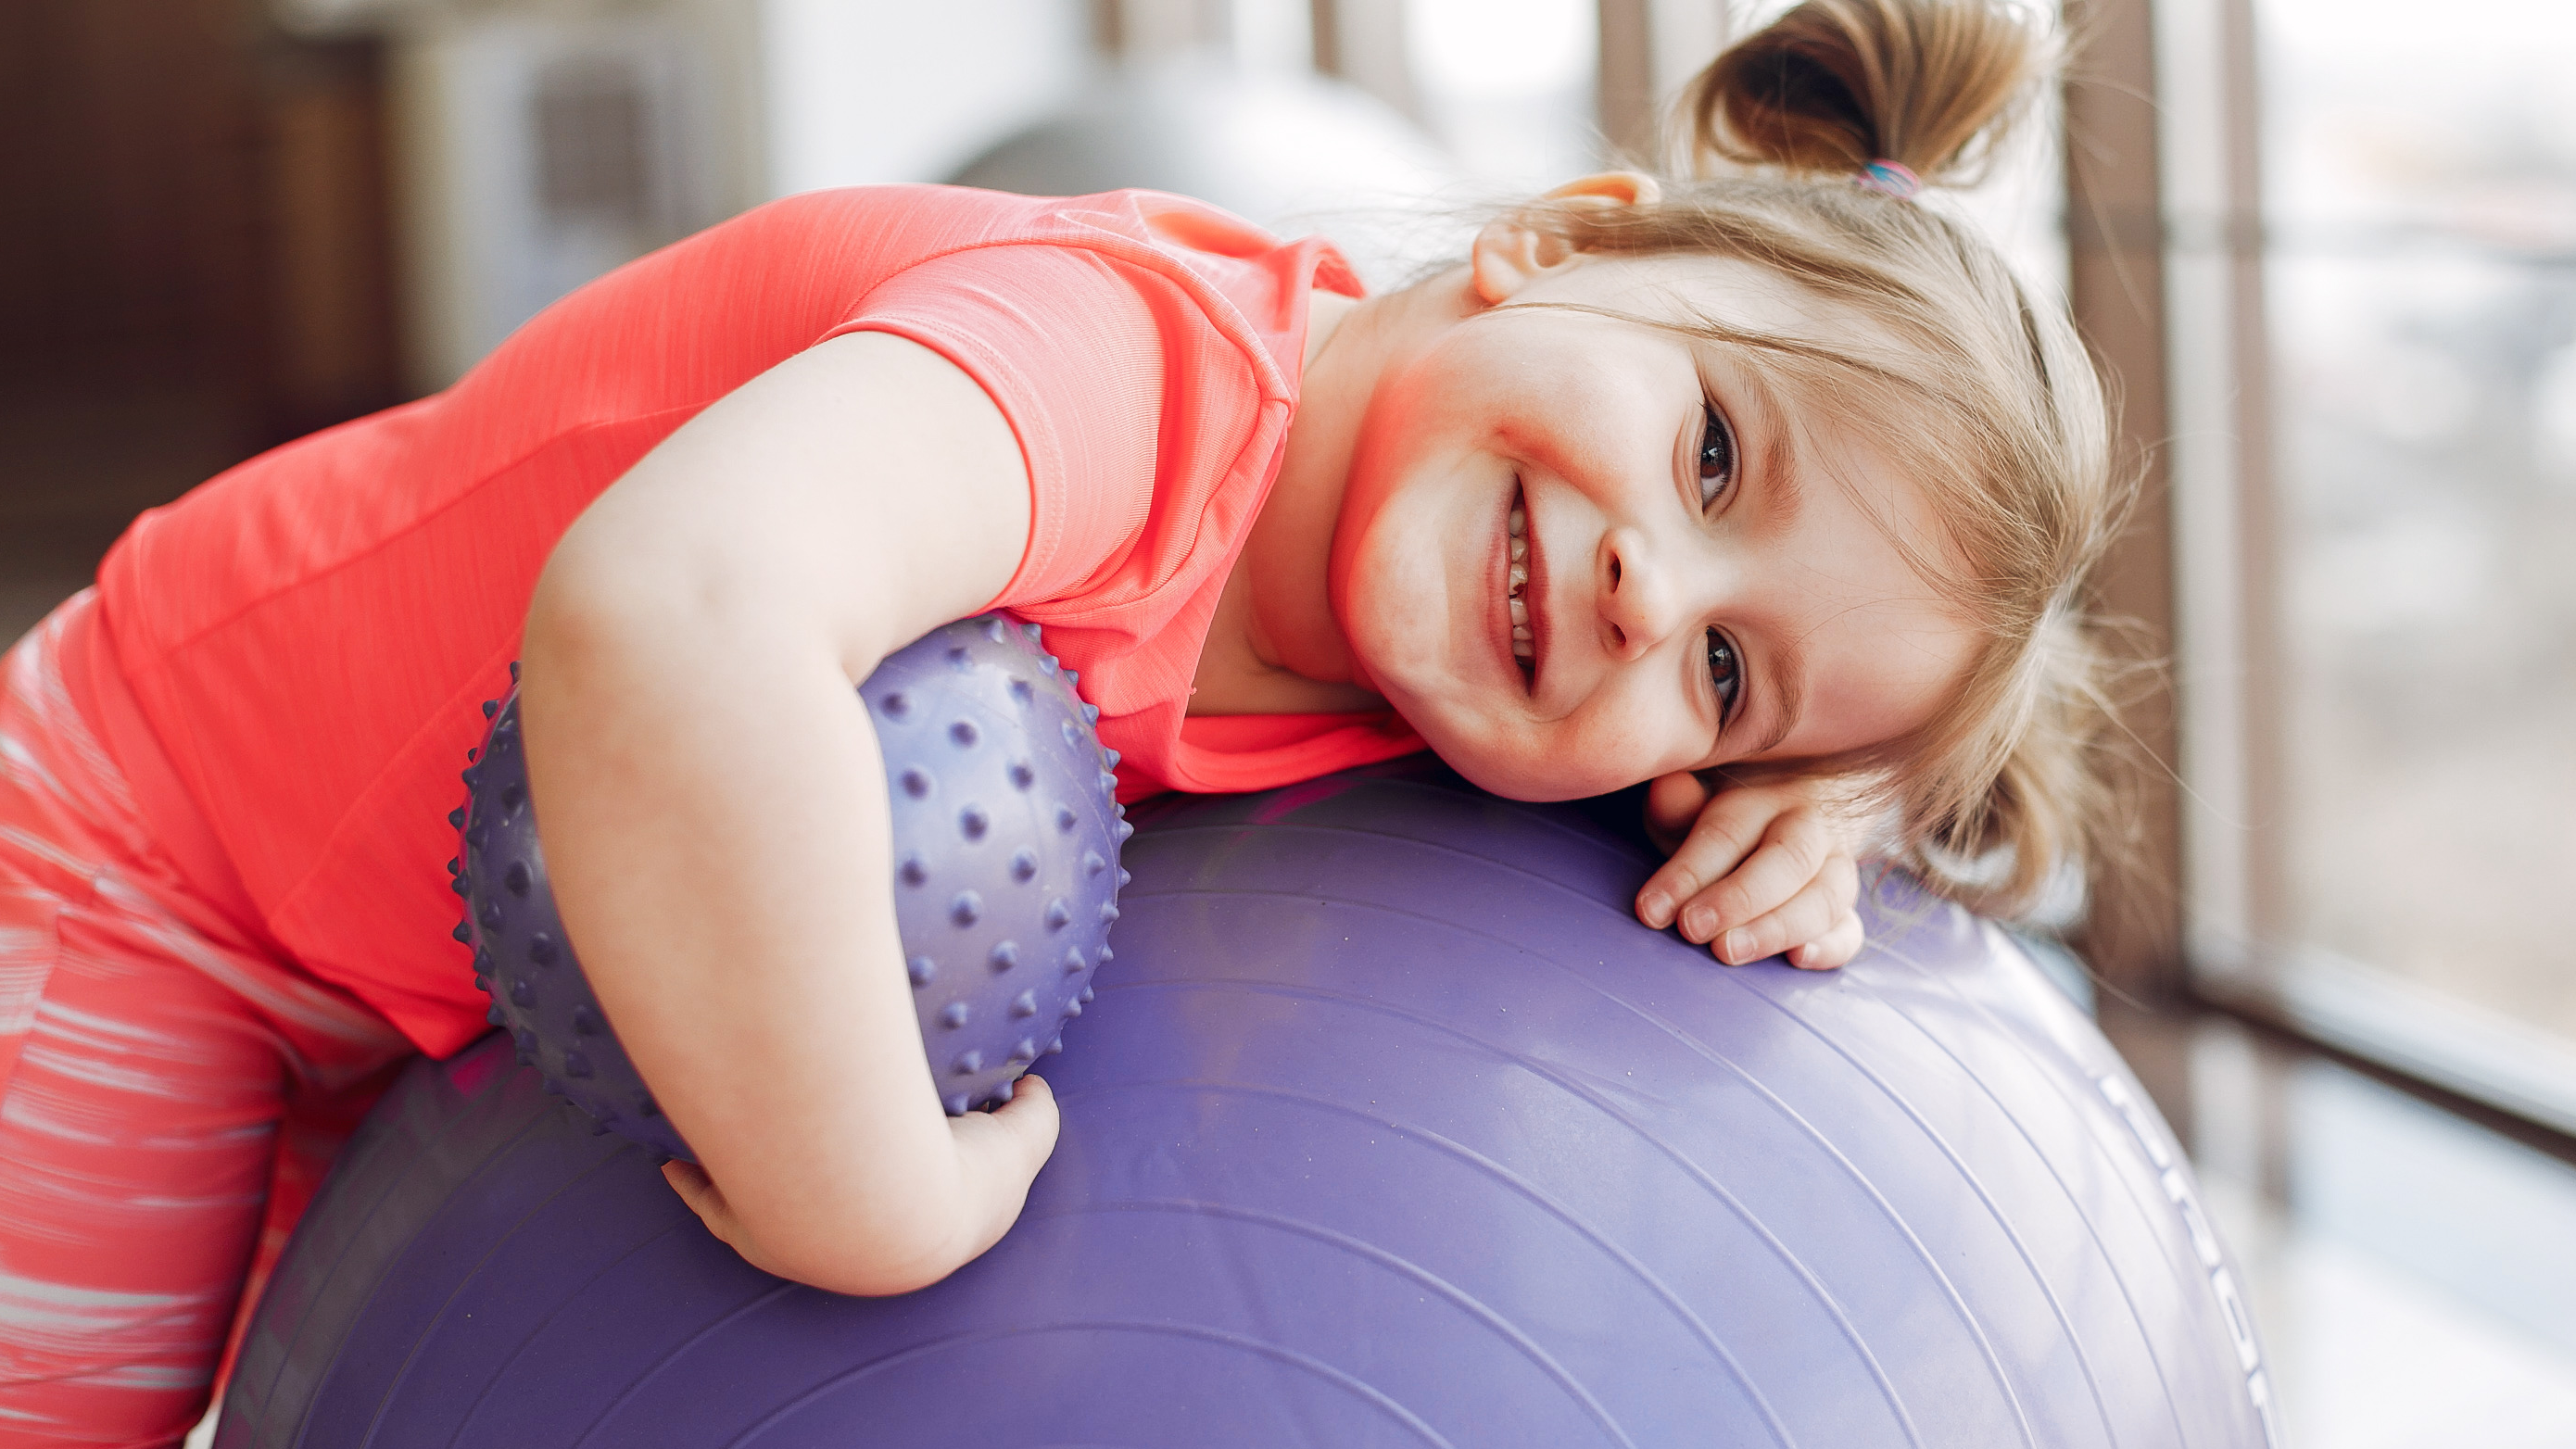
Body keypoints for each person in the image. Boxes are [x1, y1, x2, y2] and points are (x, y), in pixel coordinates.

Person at [0, 0, 2119, 1441]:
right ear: (1556, 243)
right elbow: (674, 613)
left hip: (404, 1019)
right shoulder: (1121, 369)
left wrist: (1832, 815)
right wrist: (859, 1195)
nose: (1660, 584)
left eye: (1731, 677)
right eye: (1718, 451)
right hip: (151, 865)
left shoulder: (1452, 654)